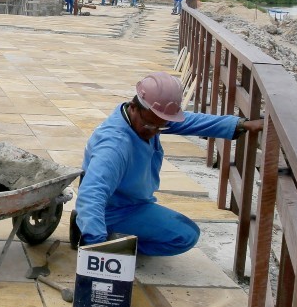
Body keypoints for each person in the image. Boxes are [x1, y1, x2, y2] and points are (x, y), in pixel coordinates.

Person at [73, 72, 262, 256]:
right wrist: (97, 248)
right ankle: (102, 234)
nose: (155, 131)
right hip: (115, 209)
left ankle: (94, 229)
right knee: (184, 236)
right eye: (151, 125)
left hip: (131, 201)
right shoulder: (114, 146)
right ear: (133, 107)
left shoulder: (145, 119)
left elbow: (191, 121)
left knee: (184, 231)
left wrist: (239, 125)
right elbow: (91, 193)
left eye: (161, 126)